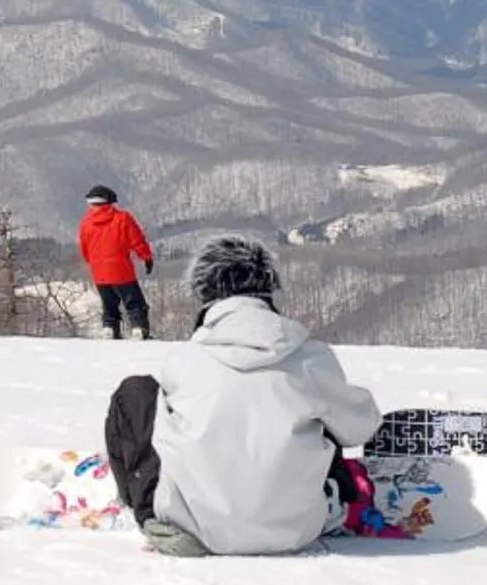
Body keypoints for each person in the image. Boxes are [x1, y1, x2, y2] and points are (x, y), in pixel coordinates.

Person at [101, 234, 380, 557]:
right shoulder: (310, 357)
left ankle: (146, 510)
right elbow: (360, 427)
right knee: (323, 411)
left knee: (135, 393)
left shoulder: (186, 359)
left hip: (195, 529)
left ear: (204, 294)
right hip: (296, 530)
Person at [77, 185, 155, 340]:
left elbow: (84, 250)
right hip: (121, 270)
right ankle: (139, 329)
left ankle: (109, 329)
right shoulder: (122, 218)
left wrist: (94, 263)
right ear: (110, 202)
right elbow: (137, 240)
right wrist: (146, 257)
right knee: (134, 302)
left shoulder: (86, 223)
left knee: (109, 304)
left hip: (99, 272)